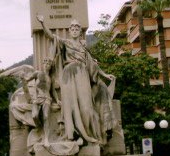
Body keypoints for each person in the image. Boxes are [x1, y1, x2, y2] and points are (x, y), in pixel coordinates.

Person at [36, 13, 117, 146]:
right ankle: (73, 134)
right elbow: (50, 36)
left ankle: (89, 135)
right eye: (72, 29)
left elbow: (92, 64)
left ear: (80, 31)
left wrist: (104, 75)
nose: (74, 31)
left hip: (82, 74)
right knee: (70, 107)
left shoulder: (83, 48)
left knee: (86, 107)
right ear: (69, 31)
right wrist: (42, 23)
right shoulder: (65, 42)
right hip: (68, 74)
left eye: (77, 29)